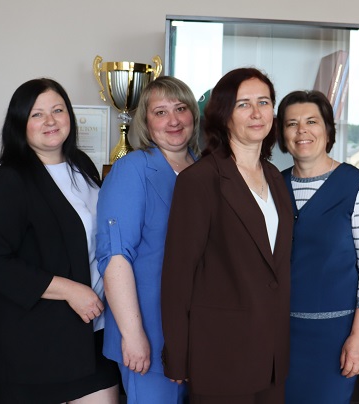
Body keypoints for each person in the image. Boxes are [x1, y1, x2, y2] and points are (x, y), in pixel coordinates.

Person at [161, 67, 293, 404]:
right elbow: (178, 276)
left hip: (272, 356)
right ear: (224, 114)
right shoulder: (199, 180)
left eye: (264, 102)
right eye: (243, 104)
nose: (256, 112)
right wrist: (177, 353)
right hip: (220, 354)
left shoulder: (276, 178)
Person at [0, 78, 119, 403]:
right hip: (32, 346)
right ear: (20, 123)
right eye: (37, 114)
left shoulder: (82, 165)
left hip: (91, 336)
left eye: (58, 110)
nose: (50, 121)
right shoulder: (10, 181)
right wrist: (70, 290)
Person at [274, 90, 359, 403]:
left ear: (327, 129)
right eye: (292, 124)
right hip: (277, 335)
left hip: (335, 336)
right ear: (282, 134)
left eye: (312, 121)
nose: (302, 131)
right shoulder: (273, 185)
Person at [96, 76, 199, 404]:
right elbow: (115, 257)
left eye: (180, 108)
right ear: (145, 121)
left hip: (199, 335)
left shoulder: (206, 170)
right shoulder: (132, 170)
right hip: (149, 332)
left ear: (193, 114)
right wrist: (133, 334)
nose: (173, 120)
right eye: (160, 112)